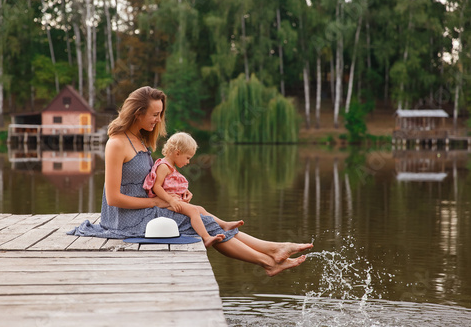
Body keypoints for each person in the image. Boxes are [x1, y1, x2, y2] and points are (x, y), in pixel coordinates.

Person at [67, 86, 313, 277]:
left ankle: (271, 252)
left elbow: (149, 182)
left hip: (144, 210)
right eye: (154, 114)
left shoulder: (141, 141)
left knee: (202, 216)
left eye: (160, 114)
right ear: (138, 113)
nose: (157, 119)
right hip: (123, 219)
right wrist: (156, 203)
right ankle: (268, 259)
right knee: (200, 222)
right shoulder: (116, 143)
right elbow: (113, 198)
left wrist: (172, 195)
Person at [143, 131, 244, 247]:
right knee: (193, 211)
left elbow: (170, 185)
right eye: (187, 158)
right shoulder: (163, 166)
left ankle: (224, 224)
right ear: (177, 153)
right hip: (164, 203)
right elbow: (156, 187)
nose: (188, 162)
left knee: (200, 208)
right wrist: (171, 200)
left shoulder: (171, 167)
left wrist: (183, 192)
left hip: (170, 201)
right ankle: (206, 238)